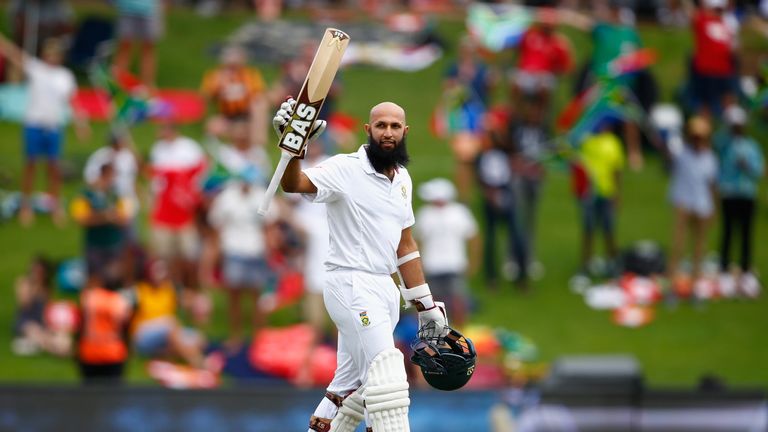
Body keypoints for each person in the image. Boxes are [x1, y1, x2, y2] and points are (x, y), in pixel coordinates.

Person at [276, 100, 448, 431]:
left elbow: (406, 245)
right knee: (388, 376)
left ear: (405, 131)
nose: (388, 132)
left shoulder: (403, 179)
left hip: (385, 289)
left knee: (349, 388)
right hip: (351, 285)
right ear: (368, 130)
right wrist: (294, 146)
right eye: (381, 125)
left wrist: (425, 306)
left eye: (395, 126)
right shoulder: (345, 168)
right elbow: (293, 184)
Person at [0, 34, 88, 226]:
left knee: (54, 167)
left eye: (55, 54)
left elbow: (72, 101)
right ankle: (25, 206)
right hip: (34, 125)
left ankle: (55, 206)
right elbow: (14, 53)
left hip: (53, 127)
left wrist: (80, 124)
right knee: (30, 165)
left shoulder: (65, 76)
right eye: (49, 54)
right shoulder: (36, 68)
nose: (52, 57)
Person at [147, 120, 208, 323]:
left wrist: (192, 196)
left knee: (189, 259)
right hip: (164, 217)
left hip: (185, 217)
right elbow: (156, 183)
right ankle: (173, 297)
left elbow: (201, 174)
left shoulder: (189, 149)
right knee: (166, 260)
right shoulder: (158, 151)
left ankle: (192, 297)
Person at [208, 172, 271, 349]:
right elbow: (216, 223)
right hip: (233, 251)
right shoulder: (227, 197)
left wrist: (269, 249)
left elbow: (269, 225)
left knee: (257, 297)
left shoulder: (261, 195)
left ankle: (259, 338)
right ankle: (236, 336)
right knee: (234, 297)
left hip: (256, 252)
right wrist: (218, 249)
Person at [415, 178, 479, 328]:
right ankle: (459, 331)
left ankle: (436, 332)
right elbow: (474, 237)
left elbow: (416, 240)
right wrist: (473, 261)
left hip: (435, 264)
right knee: (456, 300)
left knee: (435, 302)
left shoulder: (425, 213)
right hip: (453, 263)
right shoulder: (460, 212)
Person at [713, 105, 764, 292]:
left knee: (746, 234)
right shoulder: (724, 144)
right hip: (729, 192)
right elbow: (717, 143)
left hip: (747, 193)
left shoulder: (752, 147)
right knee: (727, 232)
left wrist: (747, 166)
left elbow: (759, 171)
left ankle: (745, 269)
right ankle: (724, 268)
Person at [667, 116, 718, 284]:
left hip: (702, 204)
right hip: (684, 202)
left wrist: (713, 208)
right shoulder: (682, 154)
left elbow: (712, 185)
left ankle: (695, 282)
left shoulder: (710, 158)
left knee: (699, 246)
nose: (697, 140)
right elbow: (670, 164)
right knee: (678, 244)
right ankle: (673, 282)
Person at [132, 258, 208, 369]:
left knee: (199, 339)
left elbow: (190, 299)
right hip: (144, 334)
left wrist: (200, 302)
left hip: (169, 333)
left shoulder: (169, 289)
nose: (160, 274)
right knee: (170, 324)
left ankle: (165, 356)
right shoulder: (139, 291)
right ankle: (199, 363)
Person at [575, 118, 625, 278]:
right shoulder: (586, 140)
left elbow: (617, 169)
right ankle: (585, 265)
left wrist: (617, 193)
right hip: (589, 193)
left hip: (607, 193)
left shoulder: (613, 143)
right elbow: (577, 163)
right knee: (588, 229)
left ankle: (613, 264)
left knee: (609, 230)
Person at [70, 163, 132, 279]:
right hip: (94, 245)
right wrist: (105, 217)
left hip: (114, 244)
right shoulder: (86, 195)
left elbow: (125, 219)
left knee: (114, 278)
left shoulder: (118, 195)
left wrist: (98, 217)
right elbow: (80, 219)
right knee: (95, 277)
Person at [200, 44, 268, 147]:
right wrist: (218, 87)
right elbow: (205, 97)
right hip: (227, 116)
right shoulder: (216, 76)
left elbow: (259, 95)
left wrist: (243, 93)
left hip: (246, 115)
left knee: (260, 106)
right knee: (212, 126)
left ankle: (258, 147)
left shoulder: (250, 75)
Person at [686, 0, 739, 117]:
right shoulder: (702, 20)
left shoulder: (727, 23)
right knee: (705, 105)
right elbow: (691, 12)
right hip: (706, 70)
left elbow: (733, 49)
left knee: (728, 100)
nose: (717, 12)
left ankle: (730, 127)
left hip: (724, 70)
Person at [112, 0, 168, 88]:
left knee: (148, 49)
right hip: (127, 8)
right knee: (124, 47)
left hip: (151, 10)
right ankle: (116, 85)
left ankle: (148, 85)